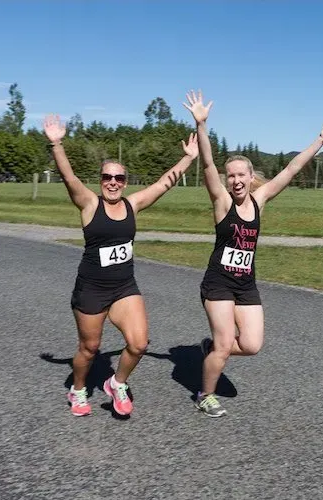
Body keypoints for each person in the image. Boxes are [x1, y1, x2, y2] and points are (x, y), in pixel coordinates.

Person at [183, 89, 323, 417]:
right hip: (217, 284)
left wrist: (320, 140)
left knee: (252, 345)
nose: (236, 180)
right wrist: (202, 126)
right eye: (231, 176)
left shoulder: (260, 201)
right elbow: (206, 163)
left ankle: (211, 348)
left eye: (241, 175)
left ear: (251, 177)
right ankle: (205, 394)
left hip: (246, 284)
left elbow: (290, 170)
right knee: (225, 342)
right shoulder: (222, 202)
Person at [43, 114, 199, 417]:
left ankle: (117, 382)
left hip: (124, 287)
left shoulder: (133, 204)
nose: (112, 183)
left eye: (119, 178)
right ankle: (77, 389)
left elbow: (163, 184)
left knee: (139, 344)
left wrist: (188, 159)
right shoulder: (89, 204)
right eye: (107, 178)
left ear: (125, 182)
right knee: (89, 349)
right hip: (91, 289)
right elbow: (69, 177)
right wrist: (57, 144)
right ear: (100, 181)